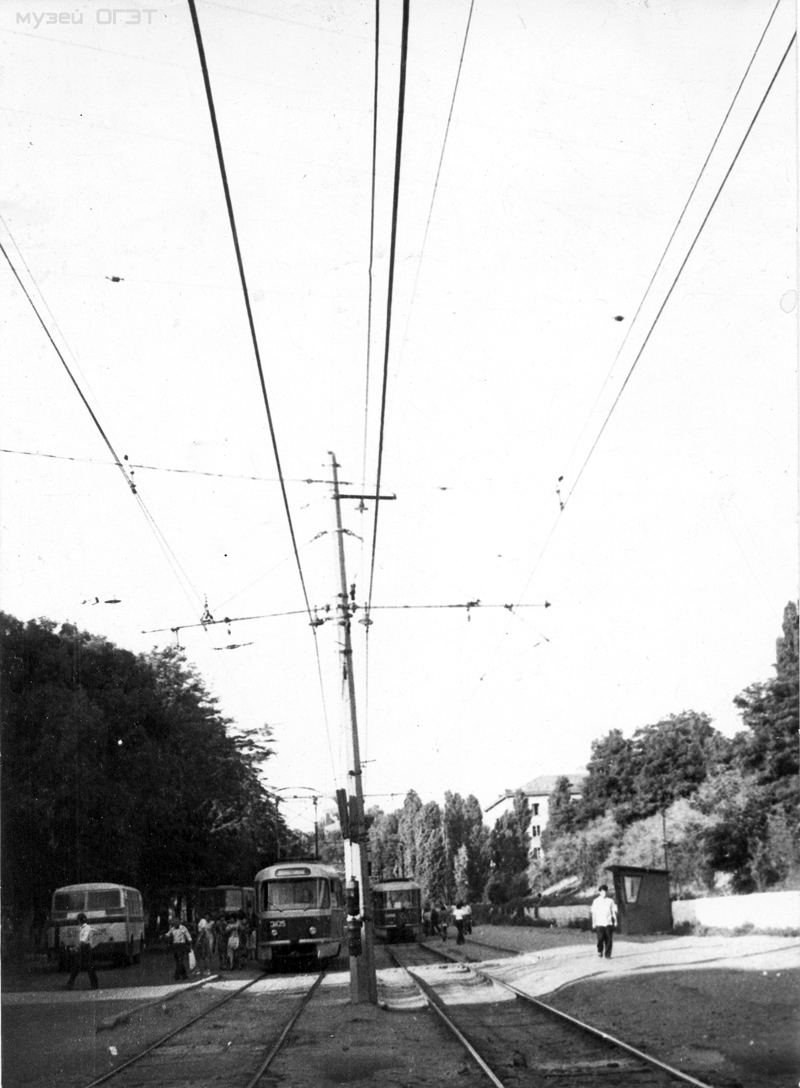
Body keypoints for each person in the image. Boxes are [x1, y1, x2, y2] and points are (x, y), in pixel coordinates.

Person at [66, 912, 99, 990]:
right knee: (82, 967)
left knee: (85, 967)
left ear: (79, 920)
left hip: (86, 949)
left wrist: (75, 948)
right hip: (84, 948)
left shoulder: (86, 928)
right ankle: (94, 984)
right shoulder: (82, 928)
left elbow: (83, 940)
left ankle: (70, 983)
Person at [590, 884, 618, 959]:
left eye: (605, 892)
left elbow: (613, 912)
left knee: (609, 939)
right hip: (599, 923)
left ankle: (608, 955)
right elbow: (594, 913)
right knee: (600, 939)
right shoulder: (596, 901)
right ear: (599, 892)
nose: (604, 893)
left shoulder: (610, 901)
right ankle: (600, 950)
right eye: (602, 892)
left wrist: (615, 921)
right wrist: (593, 922)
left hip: (608, 922)